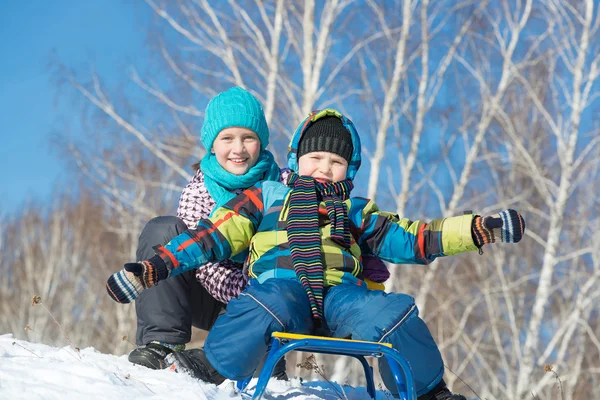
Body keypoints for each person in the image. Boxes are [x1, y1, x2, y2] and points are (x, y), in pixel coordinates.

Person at [107, 109, 525, 400]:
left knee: (393, 311)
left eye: (336, 161)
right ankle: (211, 364)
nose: (324, 168)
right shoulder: (266, 196)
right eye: (315, 157)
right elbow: (209, 237)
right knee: (264, 303)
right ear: (296, 159)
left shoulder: (357, 211)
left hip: (341, 298)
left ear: (351, 168)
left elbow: (415, 238)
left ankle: (429, 392)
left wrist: (477, 230)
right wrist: (153, 267)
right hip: (282, 290)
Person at [126, 86, 284, 371]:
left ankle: (265, 355)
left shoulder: (282, 185)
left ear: (261, 142)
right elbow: (202, 263)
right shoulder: (198, 191)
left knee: (261, 358)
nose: (238, 148)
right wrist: (245, 290)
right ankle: (161, 342)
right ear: (212, 145)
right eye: (227, 138)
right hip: (211, 289)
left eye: (248, 138)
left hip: (264, 300)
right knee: (163, 230)